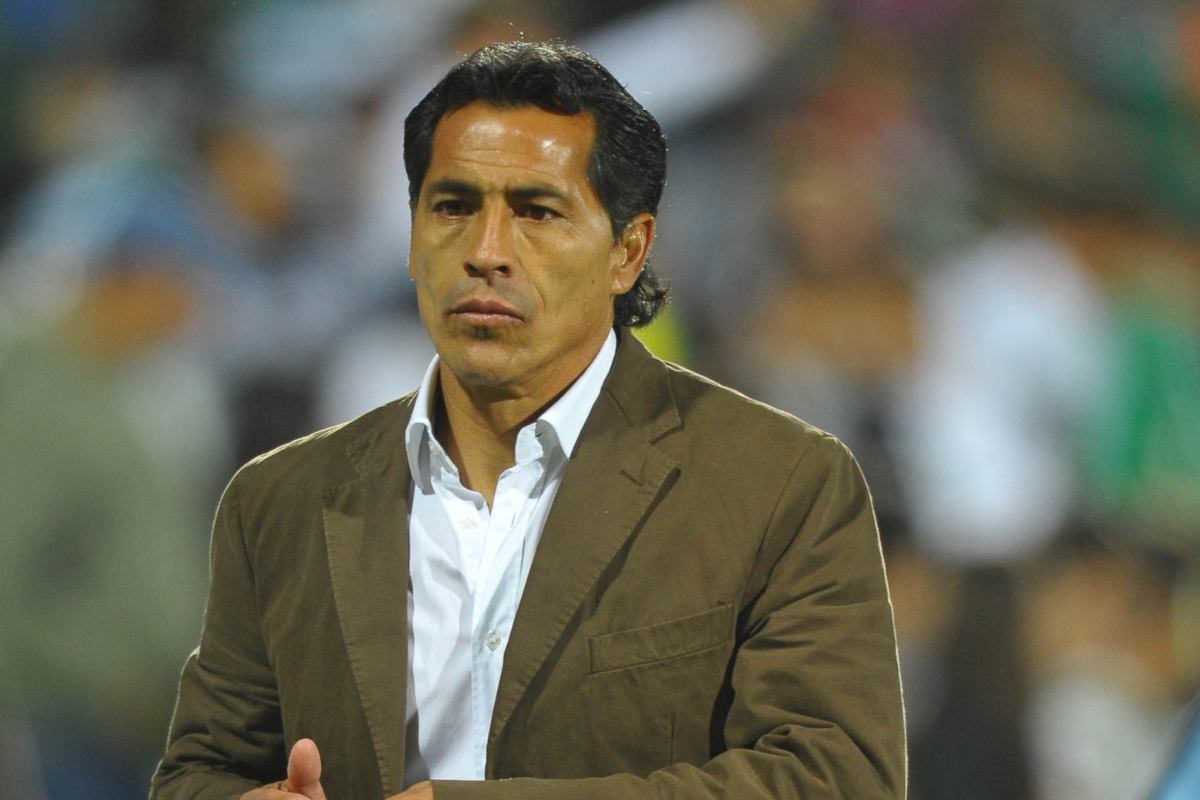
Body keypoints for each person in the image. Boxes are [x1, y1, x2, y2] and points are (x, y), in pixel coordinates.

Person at [151, 41, 905, 800]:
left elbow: (836, 780)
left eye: (537, 212)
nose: (486, 252)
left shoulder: (782, 484)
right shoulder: (278, 501)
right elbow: (198, 775)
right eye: (453, 207)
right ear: (411, 237)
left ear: (629, 252)